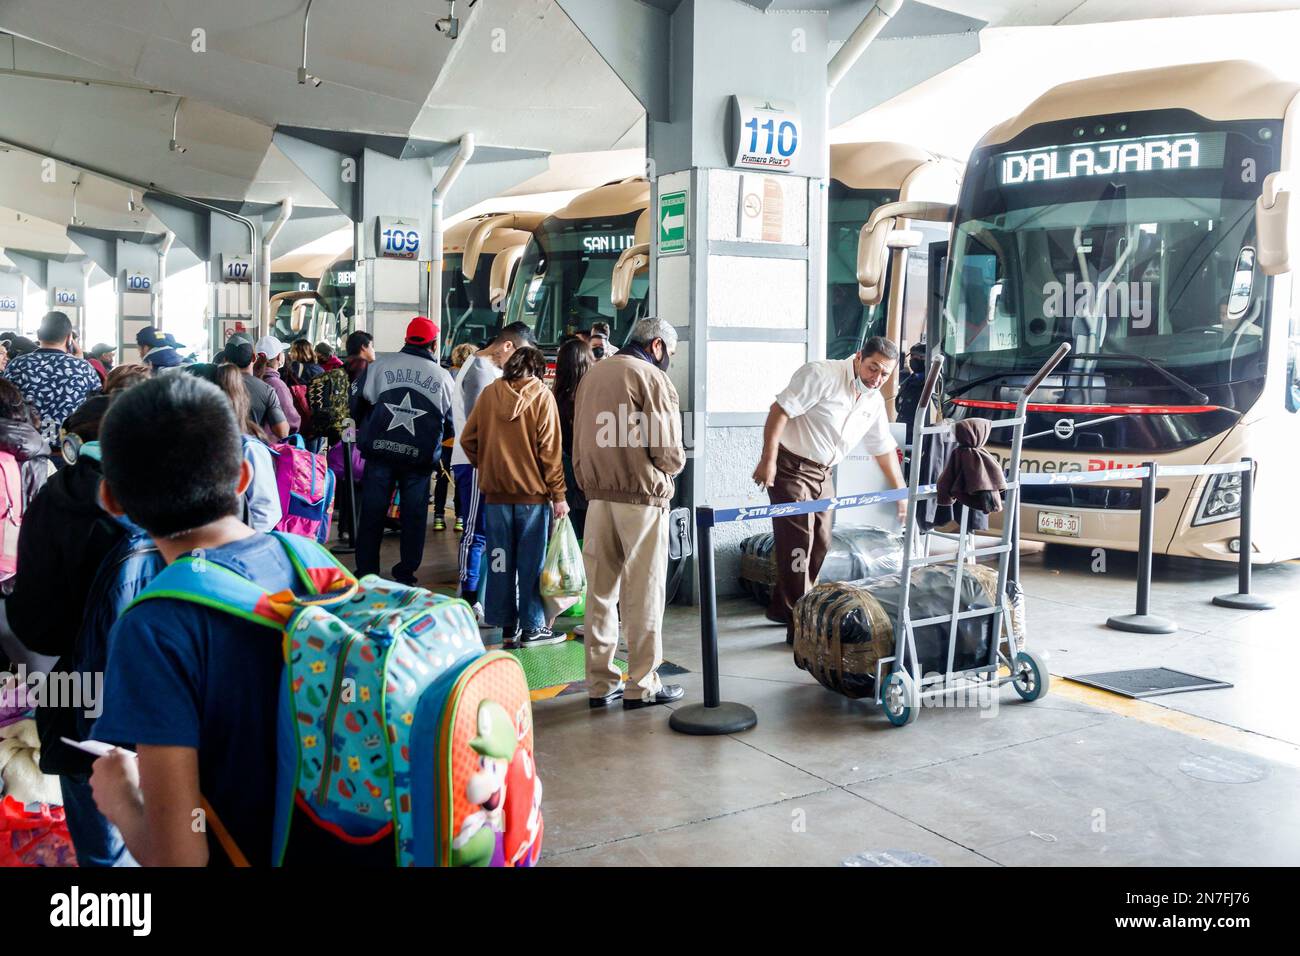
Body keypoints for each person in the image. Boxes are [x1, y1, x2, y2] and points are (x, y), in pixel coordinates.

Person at [87, 375, 315, 865]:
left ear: (112, 501)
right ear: (242, 478)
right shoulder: (311, 563)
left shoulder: (156, 626)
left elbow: (180, 858)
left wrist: (121, 798)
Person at [6, 395, 139, 866]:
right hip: (162, 684)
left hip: (73, 684)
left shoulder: (56, 497)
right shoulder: (177, 496)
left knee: (98, 837)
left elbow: (35, 626)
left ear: (78, 441)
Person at [752, 336, 905, 640]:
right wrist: (767, 459)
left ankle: (784, 607)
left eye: (884, 374)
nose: (876, 379)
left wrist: (900, 491)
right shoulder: (821, 374)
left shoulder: (873, 401)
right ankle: (800, 626)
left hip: (823, 473)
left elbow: (883, 448)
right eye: (873, 368)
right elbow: (779, 410)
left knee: (820, 542)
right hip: (789, 467)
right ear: (859, 357)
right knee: (799, 541)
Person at [573, 316, 685, 709]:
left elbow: (579, 436)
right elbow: (667, 451)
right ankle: (642, 684)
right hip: (641, 499)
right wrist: (673, 467)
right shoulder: (652, 379)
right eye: (668, 352)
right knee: (643, 592)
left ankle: (600, 684)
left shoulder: (594, 373)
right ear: (656, 346)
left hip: (598, 498)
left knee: (600, 593)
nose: (668, 359)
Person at [459, 346, 567, 648]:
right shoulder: (543, 398)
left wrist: (489, 464)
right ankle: (533, 628)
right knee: (530, 563)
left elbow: (468, 440)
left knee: (499, 561)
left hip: (495, 497)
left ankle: (506, 625)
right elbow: (550, 452)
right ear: (539, 370)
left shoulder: (491, 394)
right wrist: (558, 494)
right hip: (532, 498)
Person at [351, 316, 453, 585]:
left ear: (406, 339)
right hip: (418, 461)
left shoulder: (380, 366)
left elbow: (358, 404)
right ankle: (405, 572)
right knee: (414, 517)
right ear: (433, 344)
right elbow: (452, 422)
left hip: (380, 454)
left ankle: (366, 571)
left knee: (372, 512)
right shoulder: (442, 377)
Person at [450, 322, 537, 618]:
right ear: (507, 346)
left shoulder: (487, 371)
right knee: (477, 531)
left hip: (486, 461)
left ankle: (478, 594)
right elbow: (481, 424)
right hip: (477, 461)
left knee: (486, 531)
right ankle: (469, 595)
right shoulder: (480, 370)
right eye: (519, 355)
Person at [1, 311, 101, 450]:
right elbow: (95, 406)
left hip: (27, 450)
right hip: (69, 450)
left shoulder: (17, 365)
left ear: (38, 335)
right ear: (69, 338)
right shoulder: (84, 368)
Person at [214, 364, 282, 531]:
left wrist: (234, 543)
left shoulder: (249, 448)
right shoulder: (208, 443)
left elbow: (266, 513)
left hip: (236, 548)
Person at [553, 337, 594, 541]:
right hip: (590, 478)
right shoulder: (594, 400)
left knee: (570, 537)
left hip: (563, 479)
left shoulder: (554, 400)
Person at [222, 338, 290, 441]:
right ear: (254, 358)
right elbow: (282, 432)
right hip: (252, 451)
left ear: (225, 359)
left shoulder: (212, 385)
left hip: (220, 450)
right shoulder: (267, 390)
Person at [253, 336, 300, 434]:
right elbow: (292, 420)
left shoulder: (252, 379)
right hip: (273, 444)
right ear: (279, 357)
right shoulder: (278, 385)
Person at [894, 342, 931, 447]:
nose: (914, 359)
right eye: (912, 356)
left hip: (917, 438)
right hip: (902, 433)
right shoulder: (909, 380)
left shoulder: (931, 383)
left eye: (919, 357)